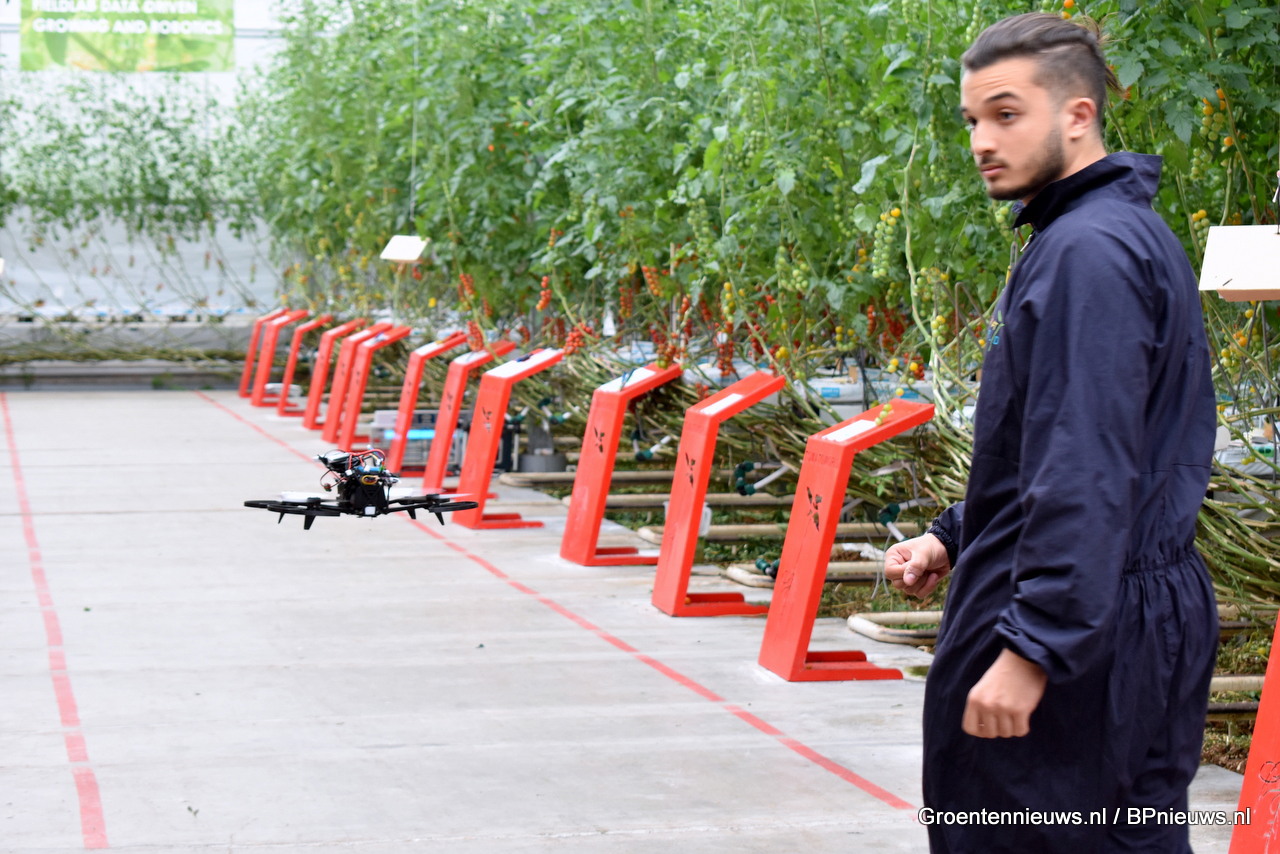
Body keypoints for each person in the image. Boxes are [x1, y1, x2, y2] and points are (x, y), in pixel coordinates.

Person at [883, 12, 1218, 853]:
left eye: (1006, 114)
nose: (981, 141)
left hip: (1087, 637)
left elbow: (1087, 466)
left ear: (1077, 114)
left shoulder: (1088, 255)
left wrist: (1034, 648)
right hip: (1120, 607)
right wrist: (958, 534)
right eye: (972, 120)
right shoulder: (1096, 235)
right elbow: (1064, 444)